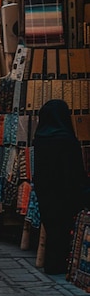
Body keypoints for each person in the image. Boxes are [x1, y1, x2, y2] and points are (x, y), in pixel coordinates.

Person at [33, 99, 90, 274]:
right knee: (64, 226)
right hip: (66, 191)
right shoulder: (66, 139)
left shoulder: (40, 138)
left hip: (45, 191)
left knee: (52, 226)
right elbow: (74, 171)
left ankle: (53, 263)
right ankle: (62, 263)